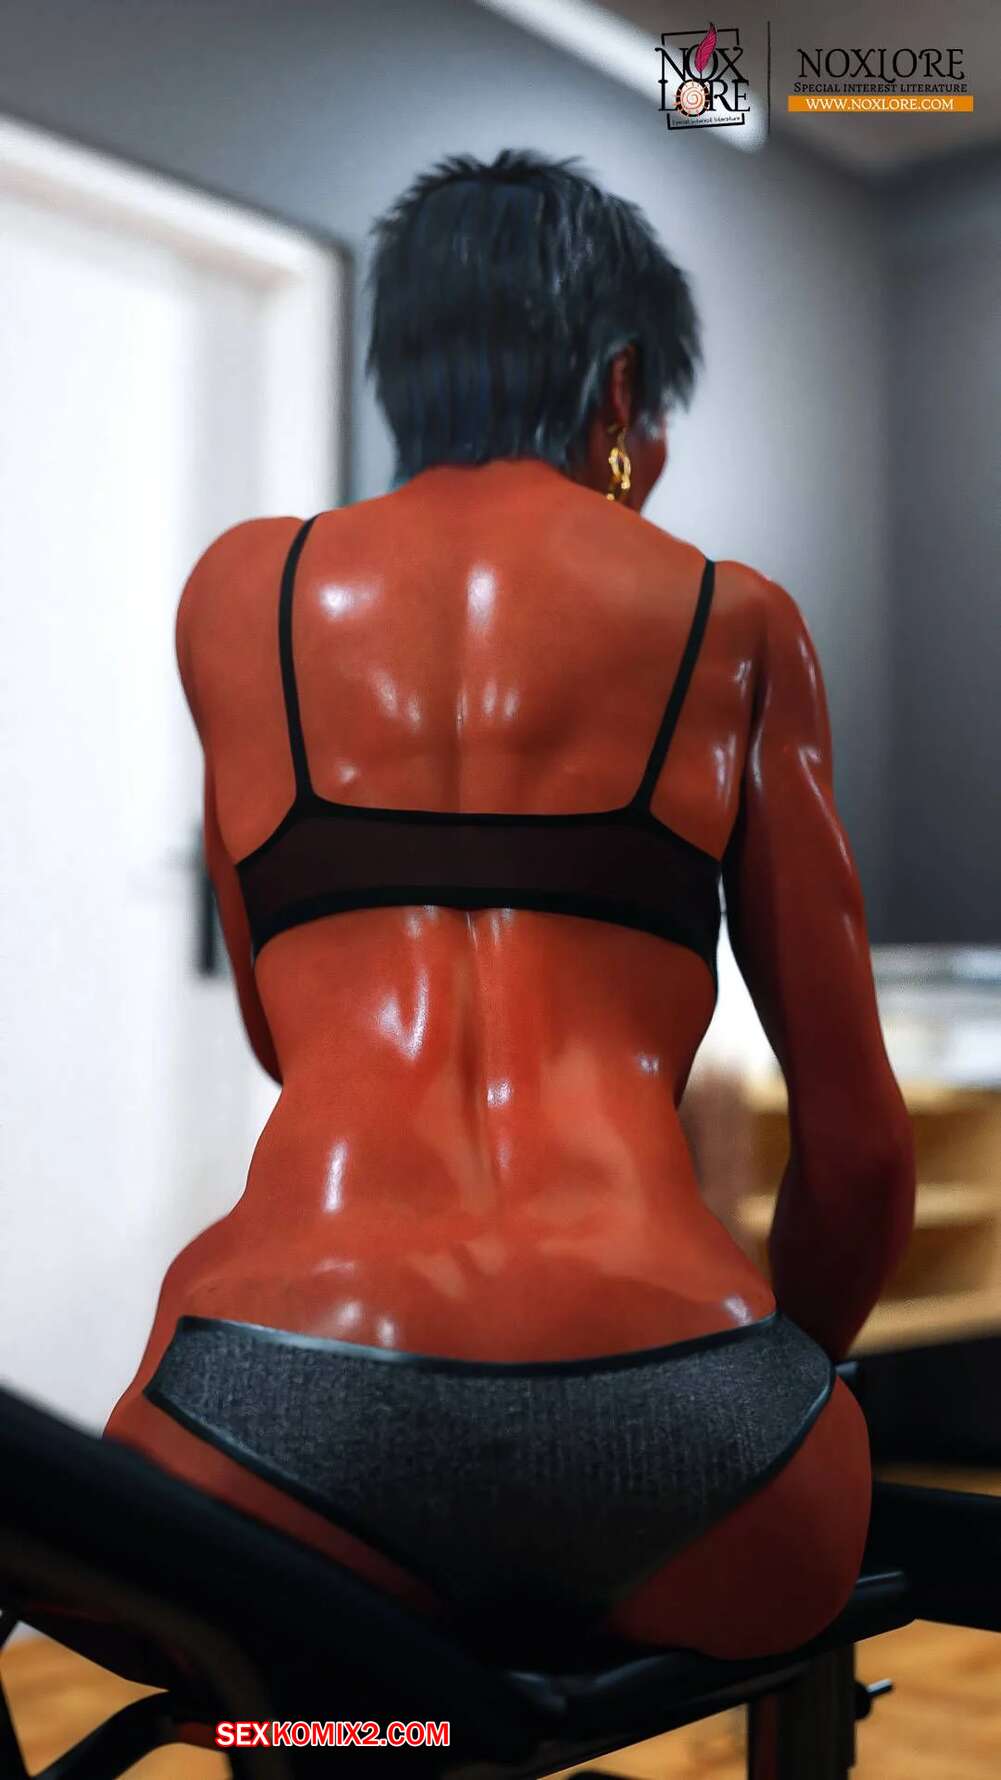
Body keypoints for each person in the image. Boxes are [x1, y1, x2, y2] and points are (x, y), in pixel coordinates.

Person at [105, 148, 915, 1661]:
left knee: (293, 1709)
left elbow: (286, 1033)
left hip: (280, 1399)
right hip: (688, 1409)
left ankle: (368, 1742)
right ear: (622, 389)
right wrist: (751, 1391)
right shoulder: (734, 617)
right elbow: (861, 1157)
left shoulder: (243, 596)